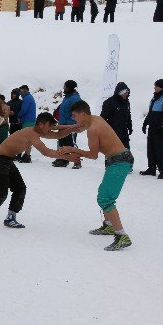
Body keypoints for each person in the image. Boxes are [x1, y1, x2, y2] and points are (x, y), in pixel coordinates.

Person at [0, 112, 80, 234]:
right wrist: (68, 157)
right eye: (49, 126)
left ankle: (10, 217)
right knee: (1, 193)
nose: (50, 130)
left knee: (20, 188)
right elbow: (46, 152)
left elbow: (57, 134)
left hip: (7, 161)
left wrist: (73, 128)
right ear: (41, 124)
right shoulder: (30, 134)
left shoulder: (36, 131)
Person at [59, 101, 135, 250]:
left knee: (105, 198)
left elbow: (93, 155)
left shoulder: (93, 129)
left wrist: (71, 149)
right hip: (118, 159)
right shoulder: (95, 118)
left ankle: (121, 236)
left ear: (83, 114)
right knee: (104, 193)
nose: (74, 119)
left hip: (120, 162)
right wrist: (65, 128)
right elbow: (80, 127)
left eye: (75, 116)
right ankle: (108, 226)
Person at [140, 79, 163, 179]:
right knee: (150, 149)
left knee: (160, 150)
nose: (154, 88)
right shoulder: (154, 97)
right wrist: (145, 123)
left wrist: (161, 126)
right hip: (152, 128)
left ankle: (162, 170)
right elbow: (151, 112)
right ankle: (151, 168)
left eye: (156, 86)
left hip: (160, 129)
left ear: (162, 87)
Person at [52, 80, 82, 168]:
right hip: (62, 125)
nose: (64, 88)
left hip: (70, 126)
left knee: (71, 144)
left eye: (65, 87)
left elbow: (77, 113)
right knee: (62, 143)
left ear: (69, 88)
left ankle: (77, 162)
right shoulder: (67, 97)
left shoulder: (75, 99)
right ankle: (63, 160)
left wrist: (70, 123)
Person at [101, 82, 133, 149]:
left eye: (127, 92)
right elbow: (102, 118)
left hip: (124, 133)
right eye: (125, 92)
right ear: (120, 92)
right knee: (113, 154)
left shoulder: (126, 102)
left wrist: (130, 126)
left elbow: (128, 115)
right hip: (112, 133)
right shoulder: (109, 102)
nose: (127, 94)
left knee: (126, 153)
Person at [16, 85, 37, 163]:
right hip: (29, 121)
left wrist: (18, 115)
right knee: (28, 138)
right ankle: (26, 155)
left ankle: (27, 156)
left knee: (27, 139)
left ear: (25, 91)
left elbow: (24, 109)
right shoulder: (28, 97)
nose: (20, 93)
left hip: (28, 121)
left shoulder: (27, 98)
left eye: (21, 92)